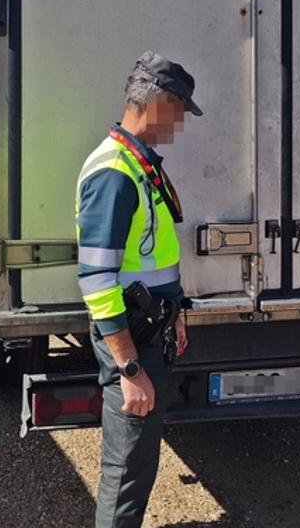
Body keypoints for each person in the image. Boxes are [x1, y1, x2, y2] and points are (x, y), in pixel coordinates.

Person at [76, 51, 199, 528]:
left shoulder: (138, 163)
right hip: (133, 342)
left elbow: (154, 256)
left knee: (139, 464)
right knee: (126, 471)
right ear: (159, 101)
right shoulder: (114, 172)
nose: (181, 122)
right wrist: (127, 366)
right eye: (180, 110)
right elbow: (97, 279)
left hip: (152, 332)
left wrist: (179, 310)